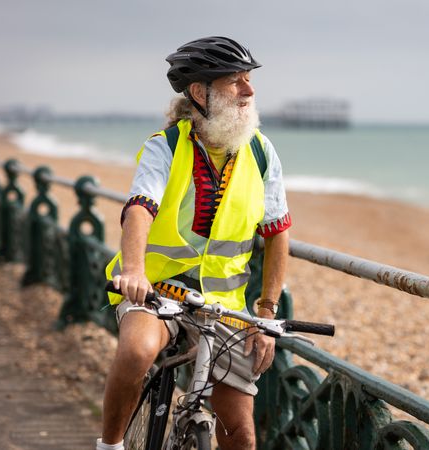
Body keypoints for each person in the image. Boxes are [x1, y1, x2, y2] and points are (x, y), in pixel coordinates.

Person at [97, 36, 291, 450]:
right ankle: (109, 445)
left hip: (224, 304)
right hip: (156, 289)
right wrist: (132, 272)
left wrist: (268, 314)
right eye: (235, 81)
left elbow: (278, 233)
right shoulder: (164, 146)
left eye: (248, 79)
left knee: (239, 433)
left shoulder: (260, 151)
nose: (249, 90)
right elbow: (139, 209)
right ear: (201, 92)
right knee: (136, 351)